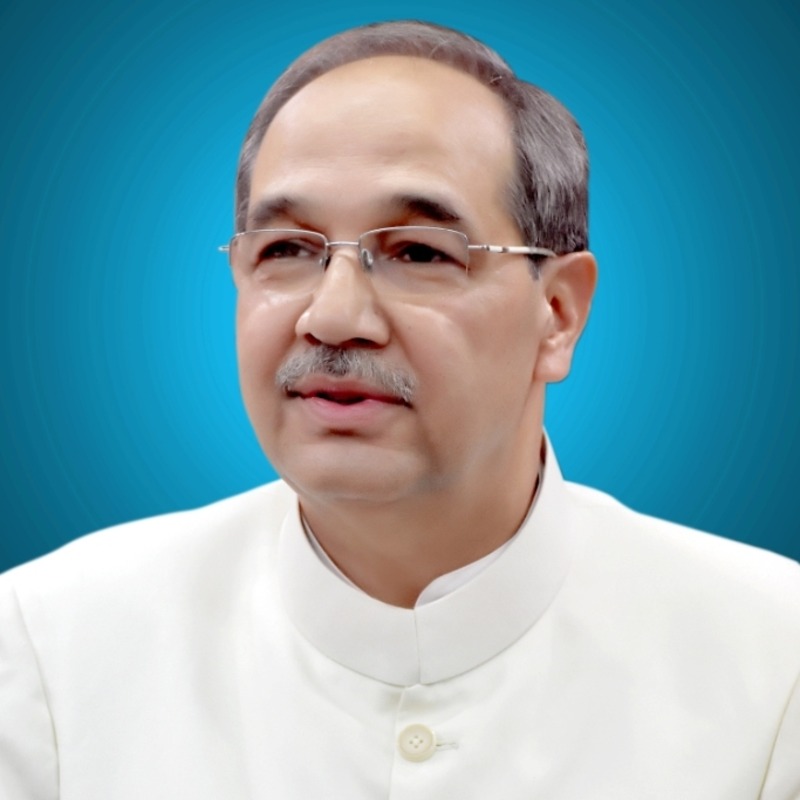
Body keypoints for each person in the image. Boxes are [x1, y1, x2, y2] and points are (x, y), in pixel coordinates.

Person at [1, 20, 798, 799]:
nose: (333, 316)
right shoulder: (50, 650)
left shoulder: (772, 664)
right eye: (288, 250)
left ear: (557, 313)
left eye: (419, 252)